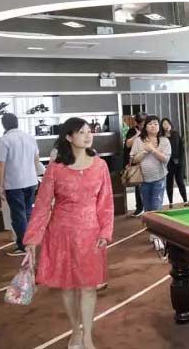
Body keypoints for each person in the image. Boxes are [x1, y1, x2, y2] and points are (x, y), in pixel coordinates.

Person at [24, 118, 114, 349]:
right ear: (68, 137)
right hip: (60, 234)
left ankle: (87, 336)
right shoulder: (56, 168)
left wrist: (105, 231)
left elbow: (106, 203)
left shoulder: (100, 166)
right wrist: (32, 239)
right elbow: (42, 205)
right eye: (81, 132)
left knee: (88, 286)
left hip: (91, 234)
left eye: (89, 131)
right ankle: (75, 330)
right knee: (67, 286)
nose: (88, 135)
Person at [0, 113, 40, 256]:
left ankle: (24, 246)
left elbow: (0, 164)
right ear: (17, 122)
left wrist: (0, 186)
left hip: (14, 183)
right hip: (31, 181)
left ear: (3, 125)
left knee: (18, 215)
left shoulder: (4, 140)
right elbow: (36, 159)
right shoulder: (30, 138)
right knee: (27, 213)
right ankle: (30, 242)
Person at [130, 115, 171, 212]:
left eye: (156, 124)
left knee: (157, 207)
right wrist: (144, 151)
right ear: (145, 127)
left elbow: (165, 159)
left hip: (159, 179)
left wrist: (152, 150)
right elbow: (133, 159)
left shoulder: (164, 141)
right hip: (143, 180)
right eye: (150, 124)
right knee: (147, 208)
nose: (153, 126)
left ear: (159, 127)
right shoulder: (138, 141)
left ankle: (157, 222)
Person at [124, 112, 147, 217]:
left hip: (149, 162)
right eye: (141, 124)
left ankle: (148, 208)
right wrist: (138, 134)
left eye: (145, 123)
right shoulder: (132, 131)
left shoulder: (150, 130)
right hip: (137, 163)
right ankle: (139, 207)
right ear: (137, 123)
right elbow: (128, 144)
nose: (143, 125)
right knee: (139, 186)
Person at [161, 118, 188, 207]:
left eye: (167, 123)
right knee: (169, 183)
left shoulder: (175, 134)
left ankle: (185, 201)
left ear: (170, 124)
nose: (166, 125)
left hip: (178, 163)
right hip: (168, 163)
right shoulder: (161, 137)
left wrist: (180, 160)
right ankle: (171, 202)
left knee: (180, 181)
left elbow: (181, 148)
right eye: (164, 124)